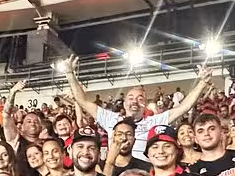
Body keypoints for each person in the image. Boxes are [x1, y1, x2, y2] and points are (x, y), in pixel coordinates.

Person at [65, 54, 213, 159]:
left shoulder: (153, 122)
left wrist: (202, 83)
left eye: (139, 98)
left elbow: (184, 107)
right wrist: (70, 74)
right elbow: (83, 101)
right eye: (130, 98)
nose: (134, 101)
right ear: (124, 104)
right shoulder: (111, 119)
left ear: (145, 104)